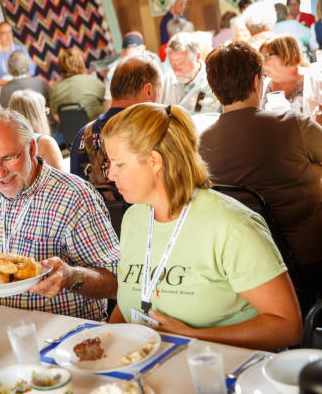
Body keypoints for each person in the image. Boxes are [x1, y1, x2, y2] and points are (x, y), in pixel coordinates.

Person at [104, 103, 302, 350]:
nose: (110, 175)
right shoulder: (135, 219)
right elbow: (129, 305)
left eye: (118, 164)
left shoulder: (231, 225)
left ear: (154, 161)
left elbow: (288, 327)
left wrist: (192, 335)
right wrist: (106, 341)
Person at [0, 109, 119, 321]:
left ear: (31, 148)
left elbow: (117, 283)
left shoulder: (74, 197)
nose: (0, 173)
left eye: (8, 158)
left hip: (62, 333)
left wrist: (71, 277)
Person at [201, 41, 322, 301]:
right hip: (310, 260)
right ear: (257, 81)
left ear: (213, 88)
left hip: (245, 270)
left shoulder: (201, 143)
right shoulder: (292, 125)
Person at [70, 55, 162, 189]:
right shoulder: (154, 131)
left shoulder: (83, 134)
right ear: (149, 91)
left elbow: (77, 191)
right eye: (159, 89)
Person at [160, 32, 221, 114]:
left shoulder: (215, 82)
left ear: (198, 57)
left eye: (182, 64)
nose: (177, 70)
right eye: (173, 64)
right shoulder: (166, 81)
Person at [7, 90, 64, 170]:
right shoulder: (45, 142)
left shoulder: (6, 143)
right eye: (44, 110)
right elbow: (63, 180)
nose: (46, 113)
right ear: (37, 115)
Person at [104, 32, 161, 110]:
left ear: (143, 49)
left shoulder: (153, 61)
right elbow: (109, 100)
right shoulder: (112, 71)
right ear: (122, 54)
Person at [49, 48, 105, 121]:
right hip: (98, 129)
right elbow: (108, 102)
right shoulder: (94, 82)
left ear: (60, 67)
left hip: (72, 131)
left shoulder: (54, 90)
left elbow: (56, 116)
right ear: (81, 62)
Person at [259, 35, 308, 113]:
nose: (263, 64)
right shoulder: (266, 85)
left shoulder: (312, 80)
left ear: (287, 54)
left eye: (266, 57)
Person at [0, 21, 36, 88]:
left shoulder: (21, 50)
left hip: (24, 85)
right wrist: (13, 83)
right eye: (4, 33)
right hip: (5, 90)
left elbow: (31, 69)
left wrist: (22, 82)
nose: (8, 36)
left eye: (10, 32)